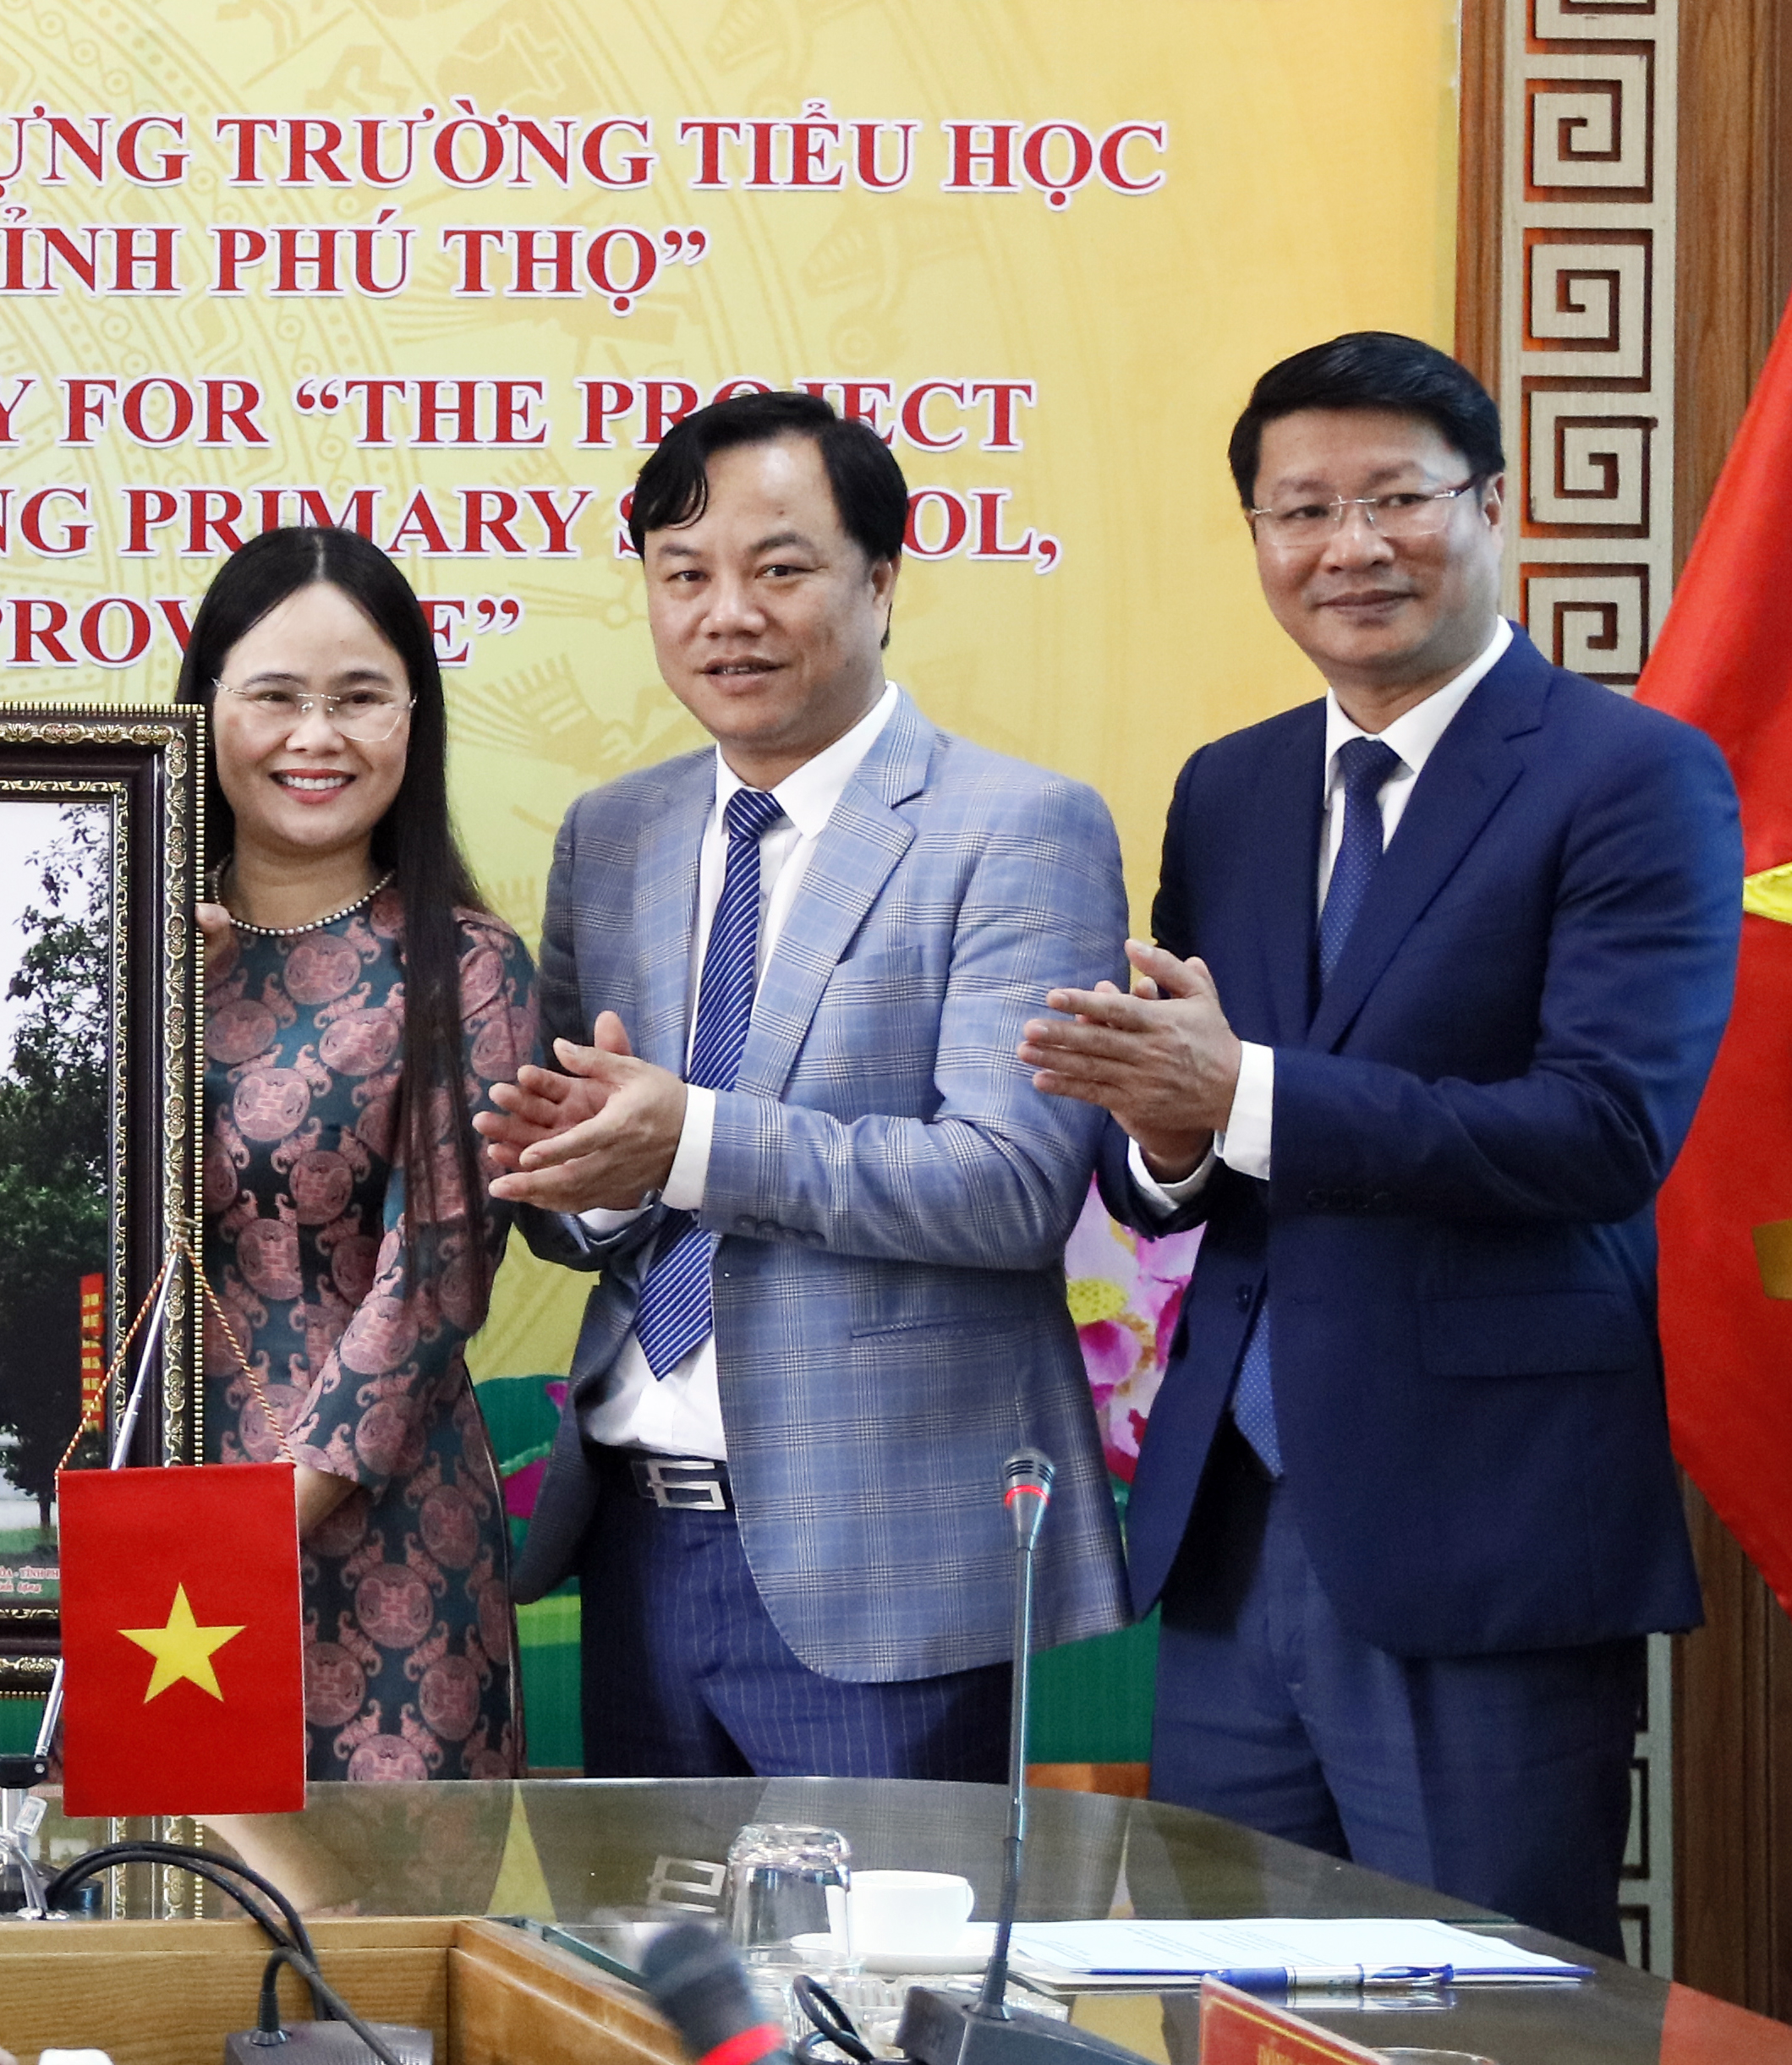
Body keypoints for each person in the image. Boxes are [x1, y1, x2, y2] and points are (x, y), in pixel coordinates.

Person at [1018, 333, 1733, 1947]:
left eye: (1397, 499)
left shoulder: (1634, 779)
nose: (1350, 548)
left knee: (1484, 2011)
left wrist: (1241, 1097)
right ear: (1261, 542)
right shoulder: (1233, 790)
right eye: (1302, 511)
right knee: (1231, 1999)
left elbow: (1603, 1134)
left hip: (1478, 1525)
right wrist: (1167, 1141)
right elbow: (1184, 1153)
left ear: (1494, 506)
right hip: (1230, 1527)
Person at [483, 389, 1128, 1776]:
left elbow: (1012, 1187)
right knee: (661, 1990)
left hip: (885, 1565)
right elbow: (568, 1175)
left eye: (781, 568)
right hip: (636, 1539)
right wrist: (585, 1188)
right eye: (684, 575)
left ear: (883, 581)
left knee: (876, 1996)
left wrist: (690, 1141)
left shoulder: (1018, 828)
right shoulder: (615, 836)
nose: (730, 614)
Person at [168, 527, 540, 1779]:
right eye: (274, 695)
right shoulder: (117, 950)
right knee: (148, 1938)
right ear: (204, 708)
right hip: (146, 1521)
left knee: (380, 1953)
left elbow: (435, 1273)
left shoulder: (468, 969)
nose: (314, 737)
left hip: (390, 1540)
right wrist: (150, 997)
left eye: (360, 697)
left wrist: (269, 1518)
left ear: (414, 721)